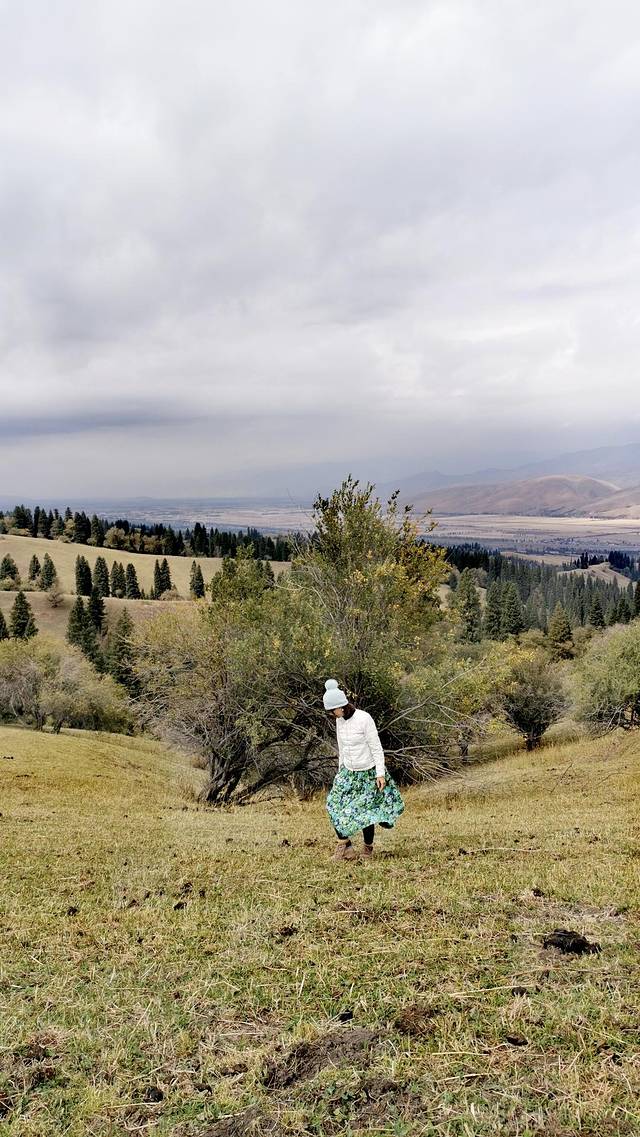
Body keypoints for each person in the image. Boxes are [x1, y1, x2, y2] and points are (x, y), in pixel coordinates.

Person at [323, 679, 404, 861]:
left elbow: (376, 747)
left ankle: (367, 848)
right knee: (333, 805)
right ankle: (346, 847)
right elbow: (342, 747)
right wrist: (340, 770)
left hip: (368, 772)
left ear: (341, 706)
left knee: (367, 812)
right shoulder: (340, 721)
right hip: (348, 772)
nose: (332, 714)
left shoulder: (364, 718)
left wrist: (380, 773)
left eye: (333, 711)